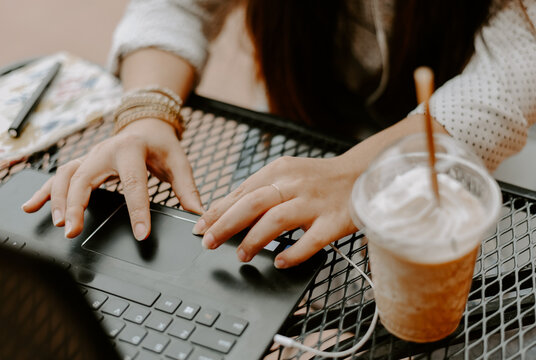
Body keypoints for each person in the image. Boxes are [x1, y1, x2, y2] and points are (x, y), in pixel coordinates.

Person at [23, 0, 536, 269]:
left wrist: (357, 171)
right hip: (304, 116)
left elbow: (516, 69)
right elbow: (177, 4)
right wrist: (146, 112)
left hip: (460, 137)